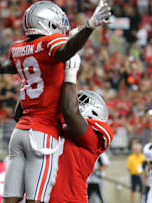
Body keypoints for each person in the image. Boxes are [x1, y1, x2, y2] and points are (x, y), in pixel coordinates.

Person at [0, 1, 111, 202]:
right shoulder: (51, 46)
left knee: (10, 198)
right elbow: (66, 51)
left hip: (20, 131)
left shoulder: (19, 48)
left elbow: (7, 67)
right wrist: (89, 28)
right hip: (41, 135)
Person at [48, 54, 114, 202]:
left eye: (79, 102)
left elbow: (71, 111)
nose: (73, 103)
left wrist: (70, 74)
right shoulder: (62, 128)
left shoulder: (93, 138)